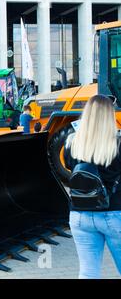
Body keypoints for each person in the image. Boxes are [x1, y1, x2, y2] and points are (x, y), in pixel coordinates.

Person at [64, 95, 121, 279]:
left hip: (80, 215)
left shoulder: (71, 143)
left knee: (88, 272)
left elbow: (69, 168)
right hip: (114, 214)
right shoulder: (117, 144)